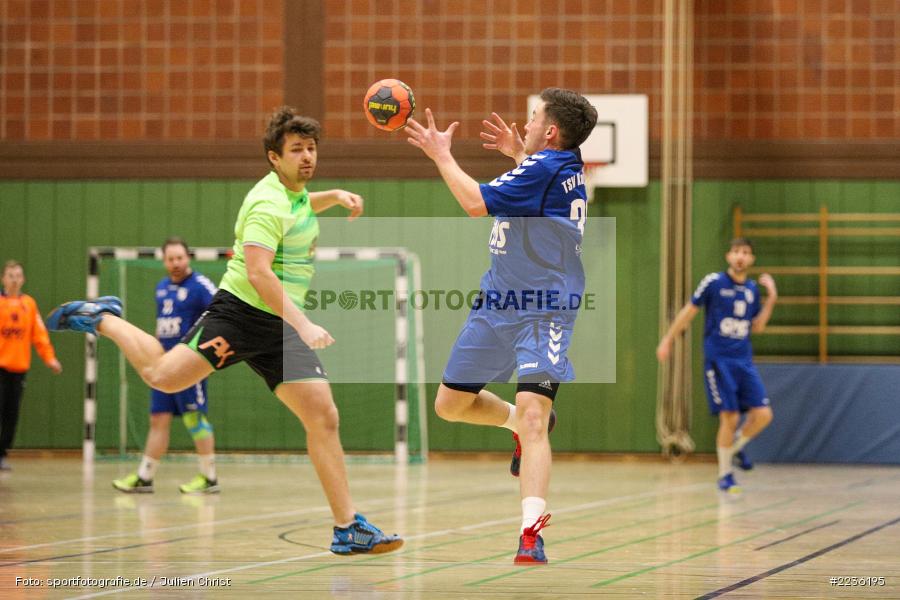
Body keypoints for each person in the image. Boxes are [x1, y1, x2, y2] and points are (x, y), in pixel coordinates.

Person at [47, 107, 403, 555]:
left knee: (323, 416)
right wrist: (304, 323)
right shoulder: (265, 203)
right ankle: (102, 318)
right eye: (297, 150)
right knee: (162, 375)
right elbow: (259, 274)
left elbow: (298, 207)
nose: (307, 157)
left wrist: (333, 195)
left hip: (277, 324)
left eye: (311, 148)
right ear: (275, 158)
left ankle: (347, 527)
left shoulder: (292, 192)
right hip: (240, 316)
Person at [405, 88, 598, 564]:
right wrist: (519, 152)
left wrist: (441, 155)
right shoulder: (562, 167)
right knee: (450, 405)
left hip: (545, 309)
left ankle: (531, 533)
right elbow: (537, 184)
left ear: (551, 131)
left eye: (534, 118)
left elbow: (474, 204)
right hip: (496, 303)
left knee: (536, 417)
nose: (525, 124)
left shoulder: (542, 167)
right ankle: (516, 422)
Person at [656, 238, 777, 494]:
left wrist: (772, 299)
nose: (740, 257)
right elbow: (689, 311)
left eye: (745, 252)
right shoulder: (714, 282)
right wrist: (667, 339)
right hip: (719, 361)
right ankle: (725, 475)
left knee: (763, 415)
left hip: (744, 361)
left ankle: (734, 449)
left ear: (751, 259)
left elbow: (758, 326)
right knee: (730, 417)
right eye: (736, 252)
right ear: (728, 256)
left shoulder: (753, 289)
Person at [112, 237, 219, 495]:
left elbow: (220, 311)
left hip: (189, 363)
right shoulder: (161, 288)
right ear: (164, 260)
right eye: (170, 259)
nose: (175, 263)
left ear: (188, 257)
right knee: (158, 418)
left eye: (180, 258)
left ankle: (209, 477)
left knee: (195, 418)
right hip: (163, 363)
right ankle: (145, 477)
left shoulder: (200, 286)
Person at [0, 260, 63, 470]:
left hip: (18, 369)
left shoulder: (29, 304)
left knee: (11, 414)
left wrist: (50, 358)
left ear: (23, 279)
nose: (15, 280)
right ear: (3, 279)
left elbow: (39, 335)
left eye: (18, 275)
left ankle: (2, 453)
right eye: (11, 276)